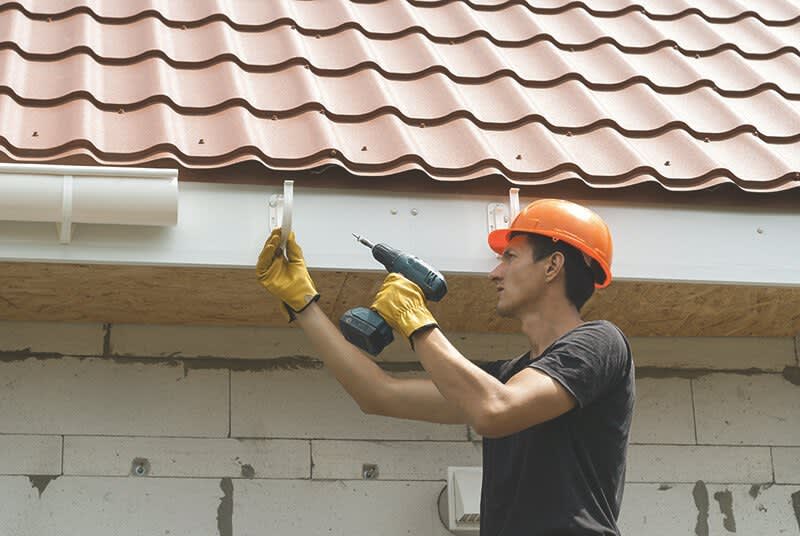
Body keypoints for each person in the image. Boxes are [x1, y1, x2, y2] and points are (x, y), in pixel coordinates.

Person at [256, 198, 635, 535]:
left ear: (553, 265)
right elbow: (377, 394)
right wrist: (303, 303)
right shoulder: (506, 378)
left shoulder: (601, 343)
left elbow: (496, 410)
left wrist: (416, 320)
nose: (494, 273)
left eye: (510, 257)